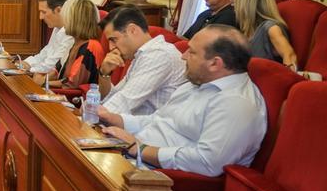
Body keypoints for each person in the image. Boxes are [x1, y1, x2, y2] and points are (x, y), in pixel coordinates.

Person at [102, 25, 266, 176]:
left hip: (160, 178)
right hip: (135, 154)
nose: (183, 56)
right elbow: (156, 120)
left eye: (192, 52)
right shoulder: (196, 83)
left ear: (215, 63)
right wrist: (114, 119)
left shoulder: (237, 103)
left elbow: (207, 162)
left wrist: (140, 149)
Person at [95, 5, 187, 117]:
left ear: (132, 30)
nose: (110, 47)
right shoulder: (142, 54)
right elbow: (114, 97)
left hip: (148, 131)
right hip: (134, 127)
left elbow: (123, 102)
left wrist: (91, 112)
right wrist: (105, 73)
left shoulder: (159, 55)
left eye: (114, 40)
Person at [234, 0, 298, 70]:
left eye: (236, 3)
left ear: (245, 6)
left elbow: (290, 55)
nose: (233, 6)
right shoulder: (248, 31)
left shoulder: (272, 28)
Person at [20, 0, 73, 76]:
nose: (40, 17)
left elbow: (52, 65)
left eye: (44, 12)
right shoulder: (57, 28)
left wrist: (28, 69)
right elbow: (45, 54)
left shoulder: (71, 33)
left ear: (58, 10)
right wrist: (26, 63)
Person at [57, 0, 104, 89]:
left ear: (77, 21)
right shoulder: (75, 43)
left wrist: (45, 82)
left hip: (75, 99)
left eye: (67, 18)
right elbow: (59, 71)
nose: (64, 23)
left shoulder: (91, 47)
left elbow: (72, 84)